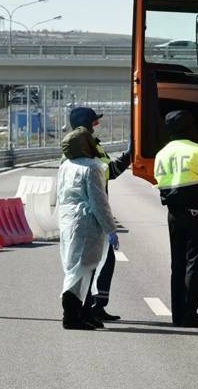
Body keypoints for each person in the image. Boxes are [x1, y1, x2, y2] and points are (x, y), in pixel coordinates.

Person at [154, 110, 198, 328]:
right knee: (194, 264)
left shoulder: (162, 153)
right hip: (195, 214)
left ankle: (178, 315)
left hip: (173, 215)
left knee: (177, 265)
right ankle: (189, 314)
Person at [67, 107, 132, 322]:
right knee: (90, 265)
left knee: (93, 264)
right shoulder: (86, 157)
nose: (97, 125)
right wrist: (129, 156)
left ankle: (91, 308)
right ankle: (86, 310)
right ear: (86, 124)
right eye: (94, 122)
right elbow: (106, 175)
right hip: (88, 216)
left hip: (79, 216)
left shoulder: (85, 150)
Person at [57, 126, 118, 330]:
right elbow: (99, 202)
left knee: (77, 267)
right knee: (82, 270)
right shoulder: (92, 167)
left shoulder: (65, 166)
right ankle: (71, 317)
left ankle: (83, 313)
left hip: (68, 220)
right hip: (86, 223)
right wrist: (110, 229)